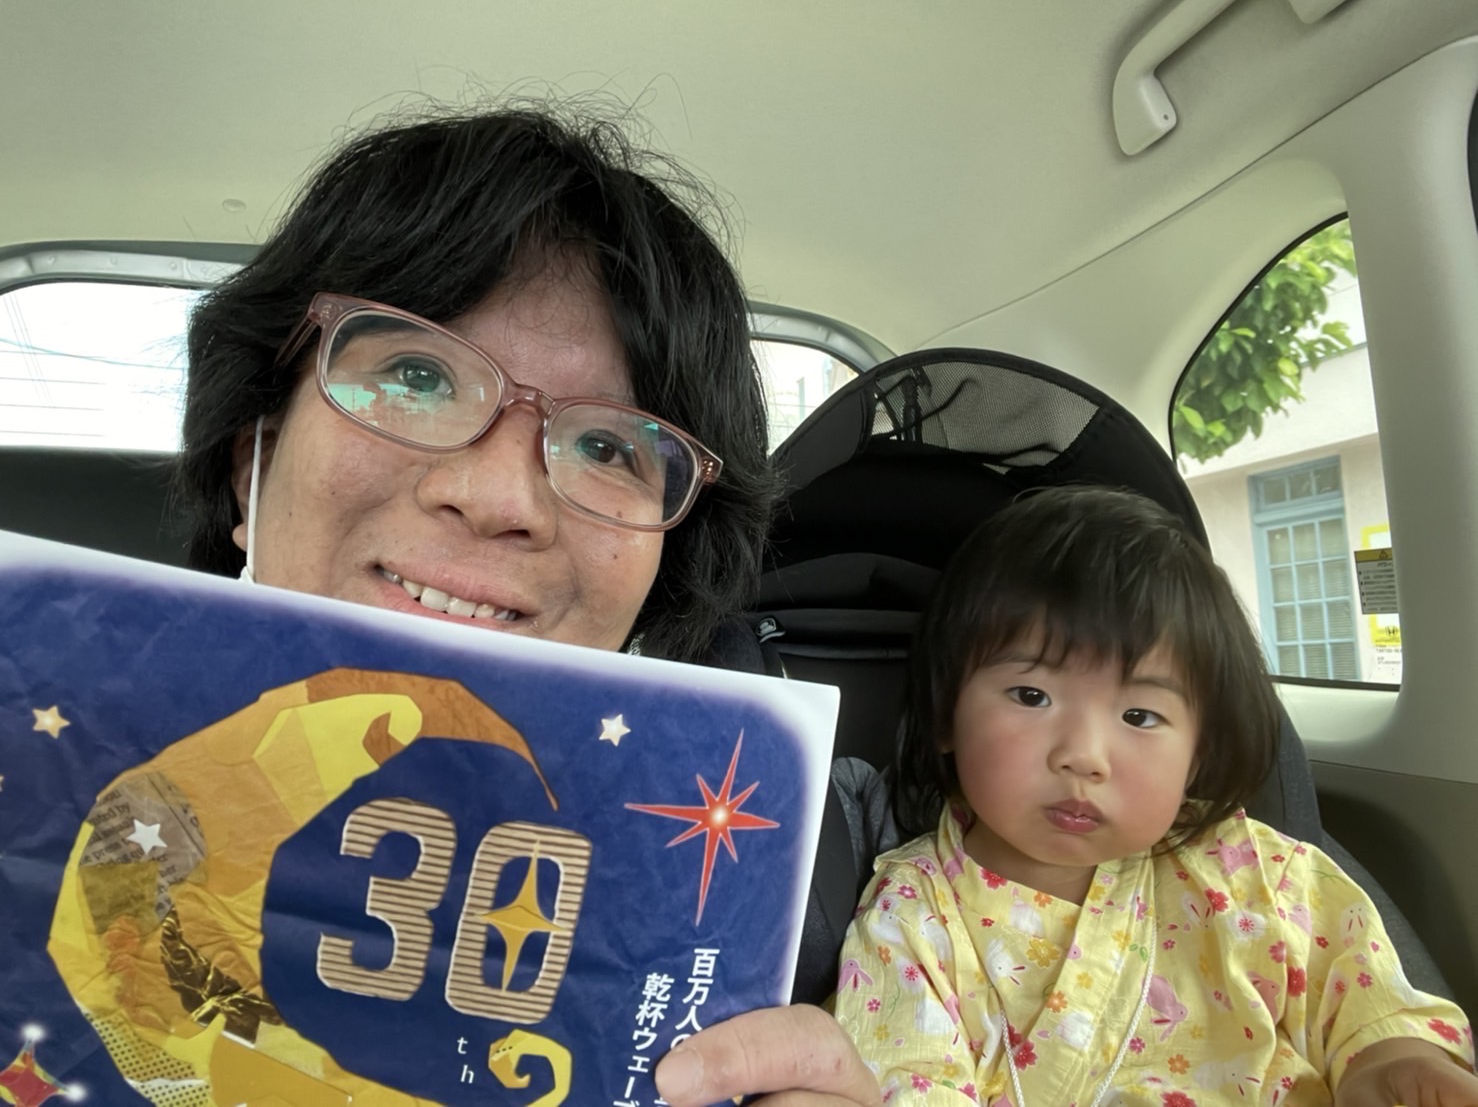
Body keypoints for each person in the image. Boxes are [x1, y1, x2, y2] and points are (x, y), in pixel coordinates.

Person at [174, 102, 880, 1106]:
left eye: (607, 446)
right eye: (417, 374)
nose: (499, 497)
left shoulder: (722, 920)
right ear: (254, 463)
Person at [832, 486, 1477, 1105]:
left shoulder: (1262, 875)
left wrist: (1392, 1062)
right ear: (946, 713)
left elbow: (1370, 1005)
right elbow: (910, 1081)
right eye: (1032, 695)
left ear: (1198, 750)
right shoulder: (911, 915)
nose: (1084, 755)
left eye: (1139, 716)